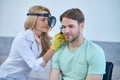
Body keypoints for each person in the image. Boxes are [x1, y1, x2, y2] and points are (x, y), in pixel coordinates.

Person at [0, 5, 65, 80]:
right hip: (6, 77)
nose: (47, 23)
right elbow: (35, 65)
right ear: (33, 21)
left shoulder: (42, 38)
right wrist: (53, 47)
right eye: (43, 20)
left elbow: (56, 46)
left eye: (48, 20)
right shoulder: (22, 39)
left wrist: (63, 38)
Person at [50, 8, 106, 80]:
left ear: (81, 26)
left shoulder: (95, 52)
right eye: (64, 27)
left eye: (71, 26)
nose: (66, 31)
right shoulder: (59, 50)